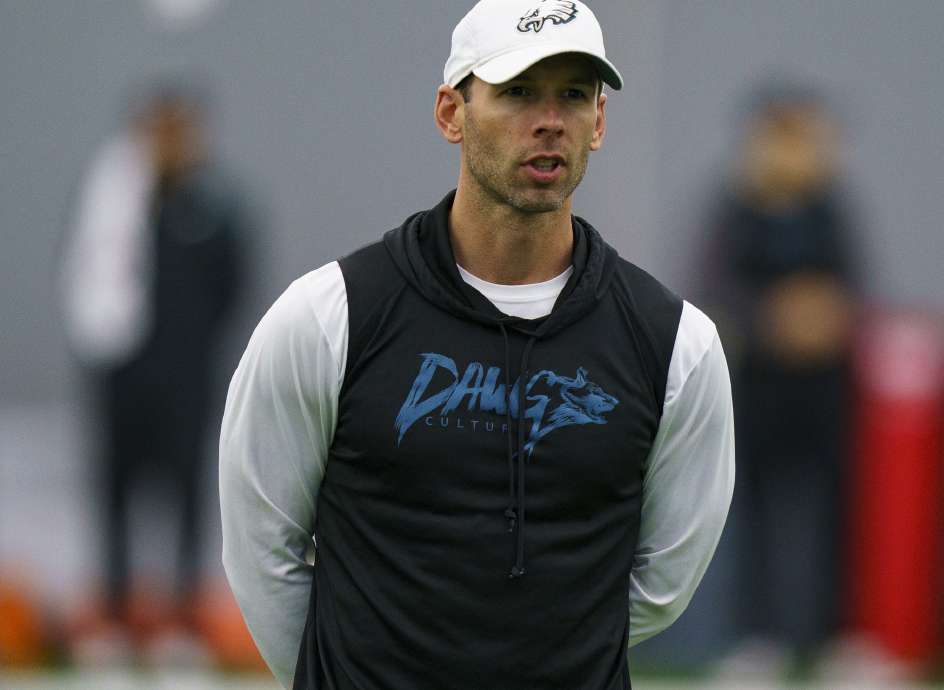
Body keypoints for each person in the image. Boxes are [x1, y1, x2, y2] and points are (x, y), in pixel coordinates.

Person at [218, 1, 735, 688]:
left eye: (573, 95)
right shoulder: (329, 316)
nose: (549, 120)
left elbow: (664, 581)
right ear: (450, 113)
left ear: (599, 121)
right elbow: (261, 553)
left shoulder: (675, 344)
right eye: (517, 91)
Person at [61, 84, 248, 662]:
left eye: (180, 131)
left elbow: (230, 289)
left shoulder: (215, 211)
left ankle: (182, 622)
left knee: (187, 495)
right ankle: (114, 618)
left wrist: (190, 351)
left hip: (186, 382)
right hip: (120, 379)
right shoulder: (114, 204)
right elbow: (84, 277)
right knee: (114, 493)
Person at [705, 84, 860, 680]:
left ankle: (834, 638)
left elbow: (855, 289)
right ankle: (756, 638)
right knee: (754, 512)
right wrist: (772, 317)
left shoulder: (829, 213)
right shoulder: (736, 214)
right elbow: (716, 288)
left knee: (834, 513)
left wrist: (826, 316)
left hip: (825, 388)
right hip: (760, 385)